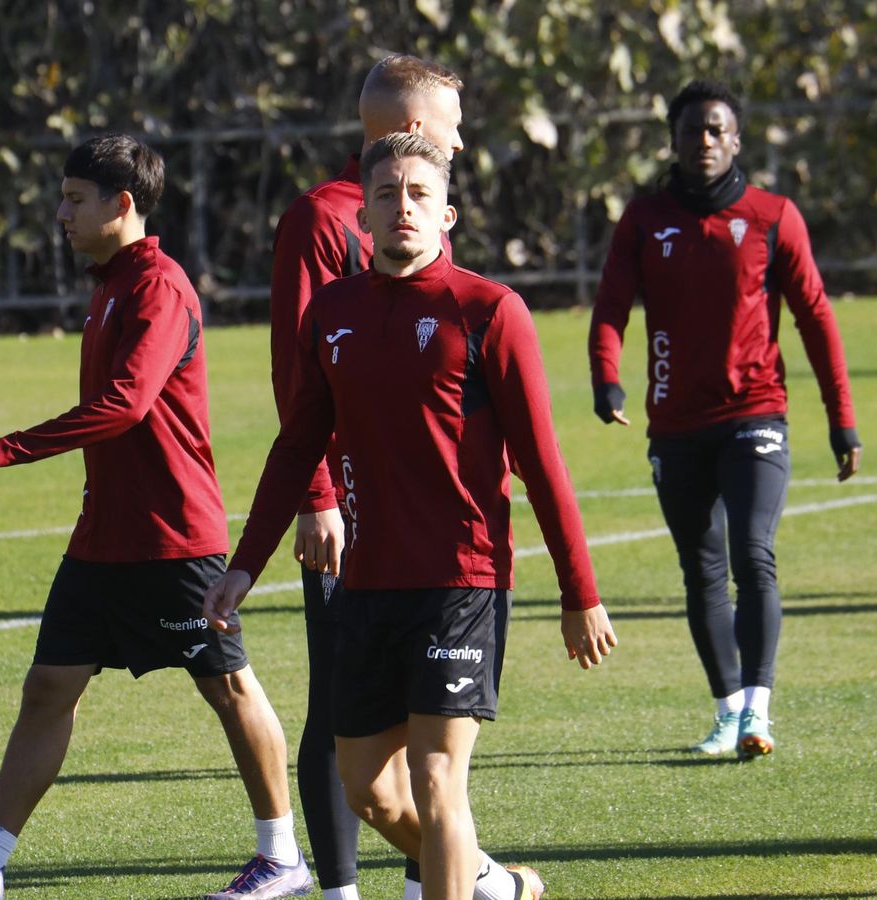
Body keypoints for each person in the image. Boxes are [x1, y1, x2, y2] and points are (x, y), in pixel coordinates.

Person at [0, 134, 312, 900]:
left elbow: (126, 405)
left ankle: (282, 860)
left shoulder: (158, 288)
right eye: (63, 197)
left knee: (229, 689)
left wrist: (12, 448)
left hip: (173, 540)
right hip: (104, 538)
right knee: (48, 687)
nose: (61, 214)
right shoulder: (108, 284)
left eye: (75, 199)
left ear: (124, 205)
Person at [206, 133, 617, 900]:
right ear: (362, 213)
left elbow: (544, 464)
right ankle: (489, 883)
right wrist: (242, 566)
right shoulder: (331, 314)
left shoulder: (491, 311)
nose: (403, 208)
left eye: (420, 195)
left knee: (436, 779)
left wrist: (579, 591)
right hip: (368, 585)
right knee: (367, 787)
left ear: (447, 213)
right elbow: (297, 447)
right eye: (388, 195)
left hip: (461, 581)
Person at [587, 80, 860, 761]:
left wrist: (841, 421)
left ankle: (759, 713)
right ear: (673, 141)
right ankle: (727, 710)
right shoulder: (645, 221)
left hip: (755, 415)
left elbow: (817, 317)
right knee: (701, 571)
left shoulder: (772, 216)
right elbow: (612, 306)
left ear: (736, 140)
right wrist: (607, 380)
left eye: (716, 130)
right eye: (691, 131)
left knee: (753, 554)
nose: (704, 142)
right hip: (676, 427)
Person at [268, 53, 462, 900]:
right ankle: (342, 888)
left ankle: (448, 880)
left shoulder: (420, 208)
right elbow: (296, 374)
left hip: (425, 518)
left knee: (433, 724)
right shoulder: (320, 220)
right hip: (347, 510)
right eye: (452, 123)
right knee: (340, 705)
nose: (461, 139)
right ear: (411, 126)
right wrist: (315, 498)